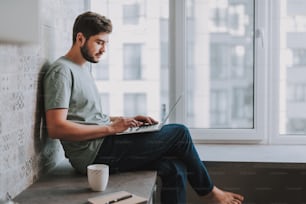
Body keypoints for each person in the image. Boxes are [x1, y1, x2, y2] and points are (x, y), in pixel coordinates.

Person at [43, 11, 244, 204]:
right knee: (180, 133)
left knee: (175, 167)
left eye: (106, 43)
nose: (104, 49)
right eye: (99, 42)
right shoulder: (61, 71)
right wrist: (111, 129)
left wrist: (125, 120)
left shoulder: (83, 69)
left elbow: (87, 116)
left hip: (105, 143)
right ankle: (209, 193)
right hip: (94, 154)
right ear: (80, 38)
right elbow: (56, 127)